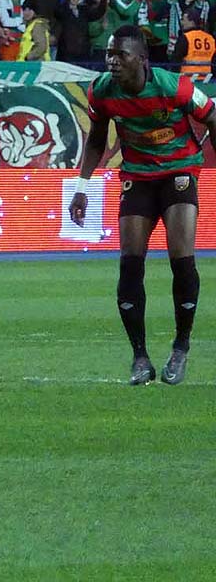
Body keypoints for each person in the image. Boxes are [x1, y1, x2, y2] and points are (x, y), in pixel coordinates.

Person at [69, 25, 216, 386]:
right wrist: (81, 186)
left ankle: (180, 347)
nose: (112, 61)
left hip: (179, 171)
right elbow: (96, 141)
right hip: (137, 176)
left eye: (120, 55)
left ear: (142, 59)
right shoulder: (102, 91)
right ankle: (140, 358)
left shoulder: (174, 87)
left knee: (182, 259)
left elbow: (211, 116)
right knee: (130, 264)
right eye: (109, 54)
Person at [174, 9, 215, 76]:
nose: (181, 23)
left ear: (192, 22)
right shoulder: (210, 38)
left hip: (187, 78)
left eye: (183, 20)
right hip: (208, 78)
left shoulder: (185, 38)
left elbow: (176, 61)